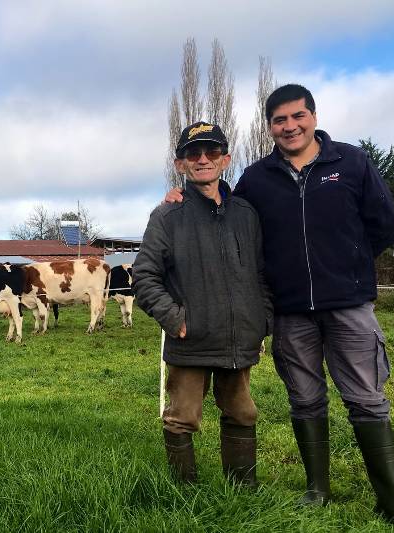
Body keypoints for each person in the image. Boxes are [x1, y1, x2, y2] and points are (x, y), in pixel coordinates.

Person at [164, 85, 394, 531]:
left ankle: (392, 500)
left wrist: (351, 267)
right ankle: (316, 491)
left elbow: (383, 223)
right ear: (269, 127)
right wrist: (179, 198)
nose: (289, 126)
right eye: (279, 120)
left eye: (297, 116)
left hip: (347, 304)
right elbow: (224, 206)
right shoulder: (258, 176)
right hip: (291, 311)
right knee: (305, 397)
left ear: (313, 116)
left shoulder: (351, 163)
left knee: (367, 398)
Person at [133, 121, 273, 487]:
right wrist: (174, 318)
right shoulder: (167, 216)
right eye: (193, 153)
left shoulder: (247, 214)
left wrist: (262, 320)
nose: (203, 159)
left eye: (212, 152)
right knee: (182, 417)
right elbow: (144, 276)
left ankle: (243, 488)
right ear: (180, 164)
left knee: (242, 412)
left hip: (239, 337)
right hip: (190, 338)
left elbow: (262, 274)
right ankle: (184, 492)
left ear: (225, 159)